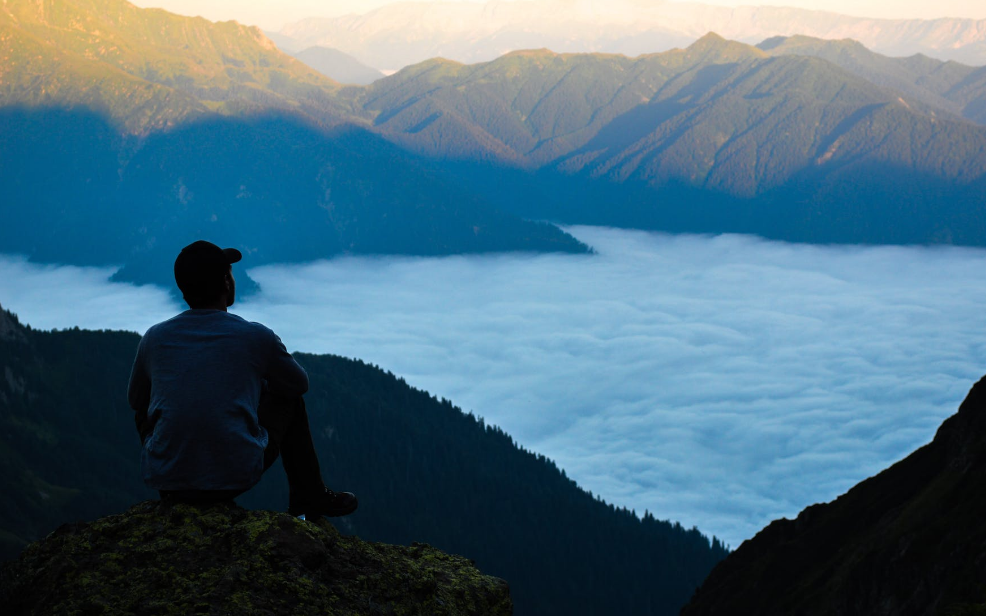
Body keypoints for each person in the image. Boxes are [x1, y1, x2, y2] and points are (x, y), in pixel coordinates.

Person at [127, 240, 357, 517]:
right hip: (234, 475)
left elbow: (136, 401)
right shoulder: (255, 337)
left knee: (145, 405)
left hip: (166, 477)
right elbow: (298, 385)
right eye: (230, 273)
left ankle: (172, 471)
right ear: (226, 282)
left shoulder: (154, 338)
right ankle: (309, 496)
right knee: (290, 401)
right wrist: (254, 386)